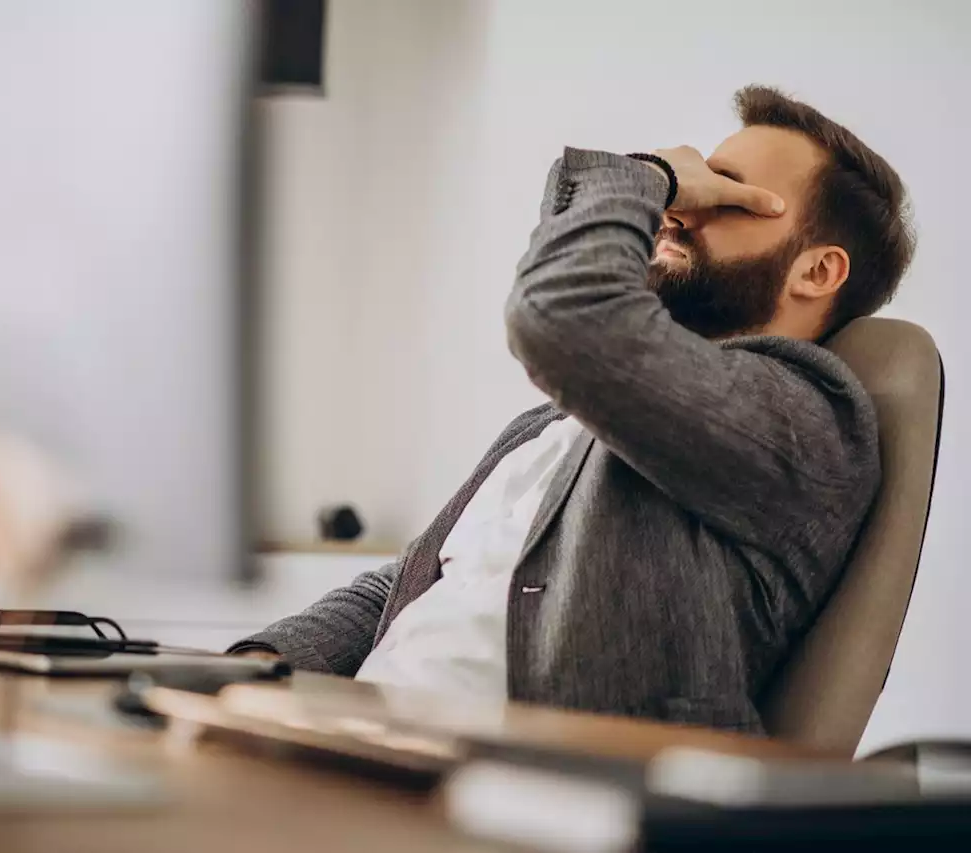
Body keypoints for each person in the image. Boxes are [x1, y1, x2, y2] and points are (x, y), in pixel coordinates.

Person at [230, 85, 916, 733]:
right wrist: (247, 668)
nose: (679, 209)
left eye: (730, 198)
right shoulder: (557, 425)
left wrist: (644, 174)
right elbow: (415, 583)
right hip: (370, 745)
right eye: (699, 182)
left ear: (818, 270)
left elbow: (560, 315)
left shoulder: (808, 419)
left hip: (540, 791)